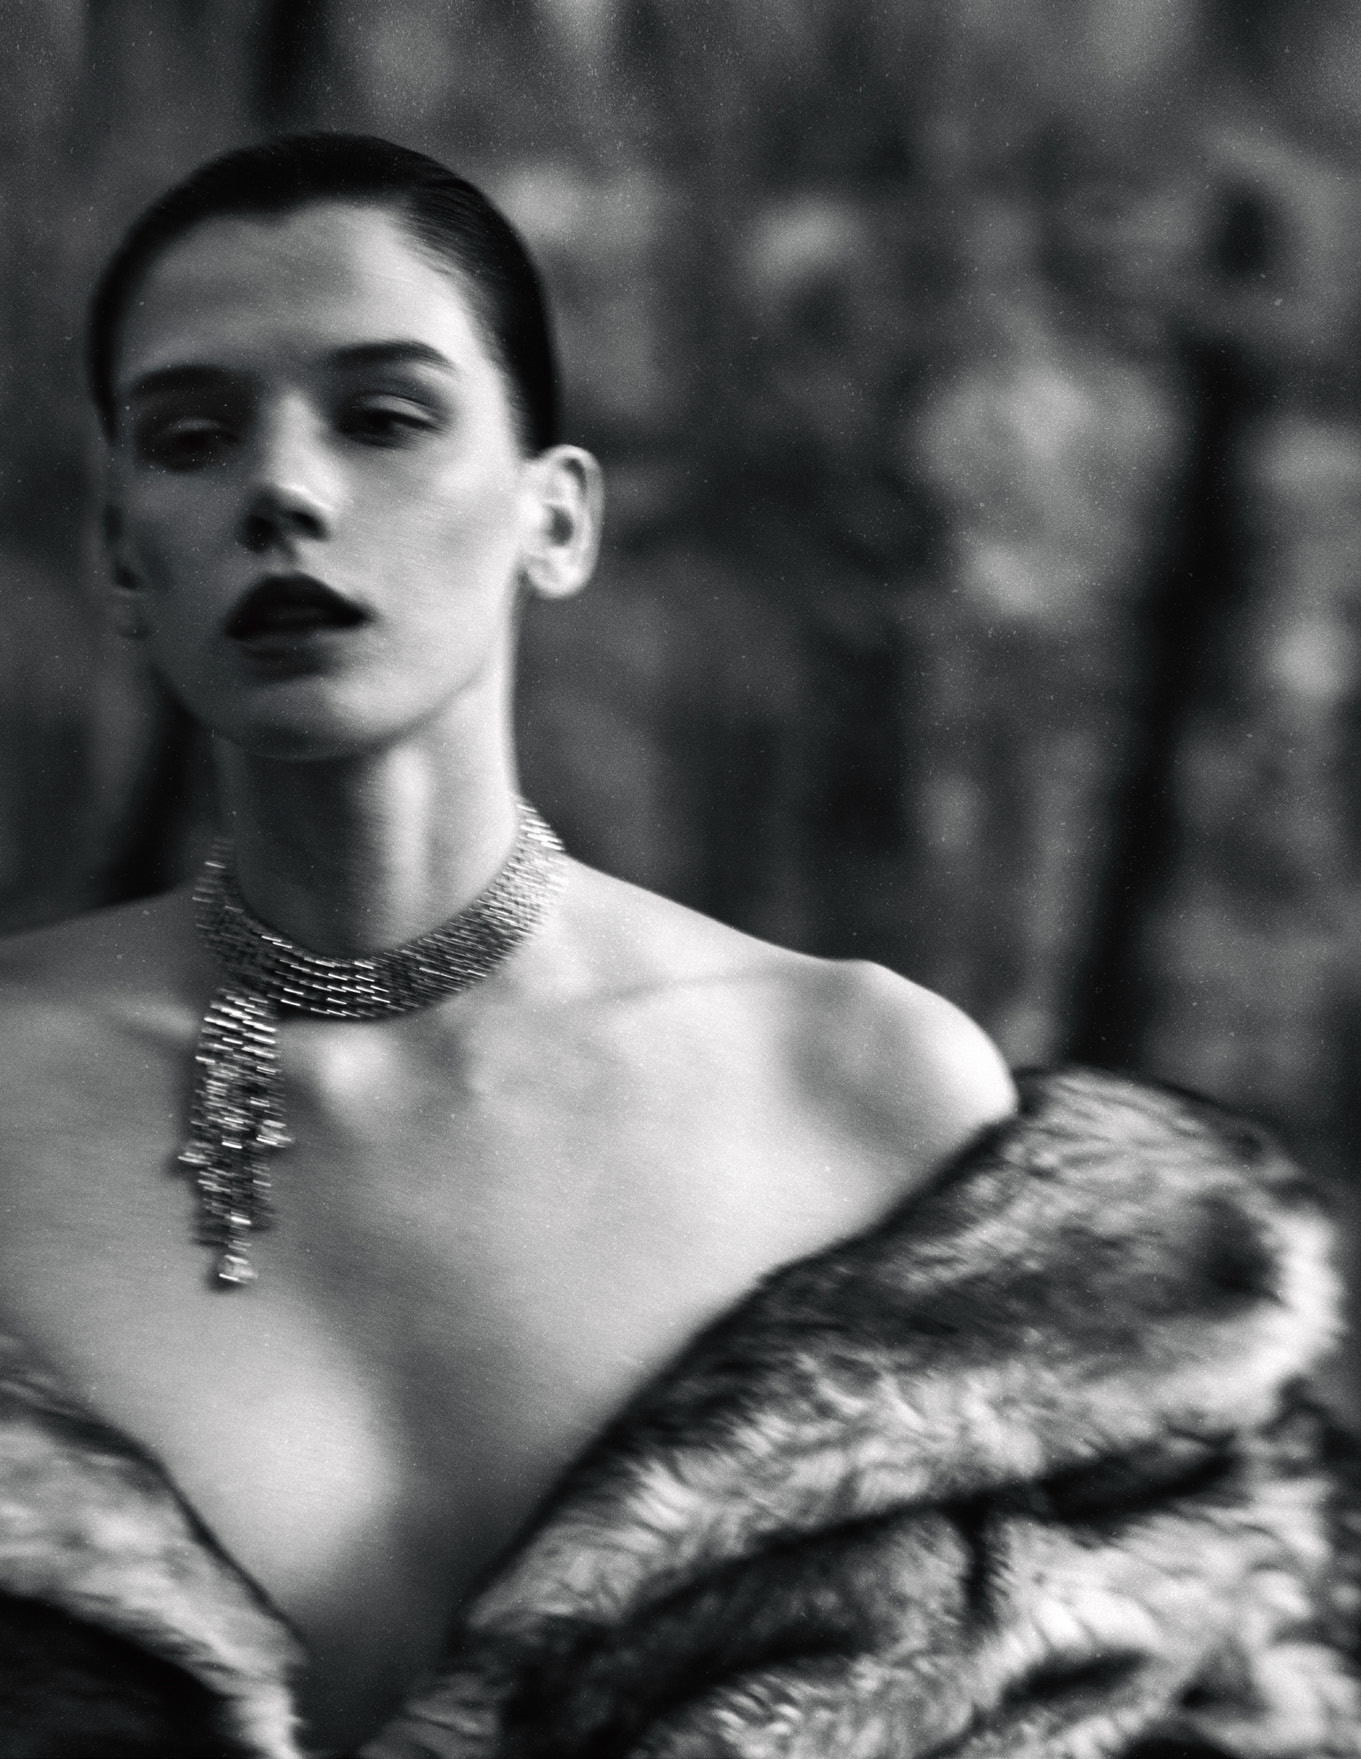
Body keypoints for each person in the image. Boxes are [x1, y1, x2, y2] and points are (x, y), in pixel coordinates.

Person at [0, 136, 1354, 1759]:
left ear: (554, 518)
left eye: (384, 417)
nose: (282, 490)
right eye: (192, 437)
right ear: (125, 554)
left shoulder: (863, 1093)